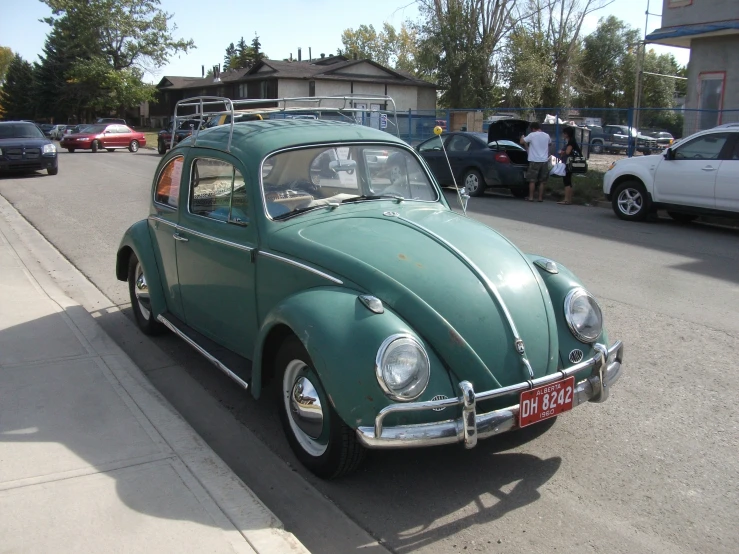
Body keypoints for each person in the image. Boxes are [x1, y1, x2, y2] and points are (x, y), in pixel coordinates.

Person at [520, 122, 552, 202]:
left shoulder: (532, 135)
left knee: (532, 180)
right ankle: (540, 198)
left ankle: (531, 197)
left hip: (534, 161)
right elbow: (550, 144)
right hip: (544, 161)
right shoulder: (546, 135)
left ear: (533, 129)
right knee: (542, 181)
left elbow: (521, 142)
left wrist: (522, 137)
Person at [558, 127, 581, 205]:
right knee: (569, 182)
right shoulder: (572, 141)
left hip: (568, 163)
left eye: (564, 133)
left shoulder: (571, 142)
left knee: (566, 181)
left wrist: (561, 152)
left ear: (567, 134)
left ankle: (566, 199)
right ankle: (569, 199)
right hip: (570, 163)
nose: (563, 135)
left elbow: (568, 152)